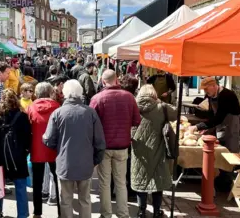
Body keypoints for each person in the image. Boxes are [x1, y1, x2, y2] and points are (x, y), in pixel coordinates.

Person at [43, 80, 106, 218]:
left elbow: (48, 139)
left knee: (66, 200)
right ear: (80, 93)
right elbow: (100, 142)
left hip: (65, 163)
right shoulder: (90, 113)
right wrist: (95, 160)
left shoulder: (58, 113)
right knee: (85, 199)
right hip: (85, 163)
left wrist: (59, 148)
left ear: (65, 93)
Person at [89, 69, 141, 218]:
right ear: (117, 80)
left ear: (103, 81)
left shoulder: (97, 98)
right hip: (123, 146)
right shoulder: (129, 97)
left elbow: (91, 123)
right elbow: (137, 121)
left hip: (104, 146)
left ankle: (106, 214)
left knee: (105, 183)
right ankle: (123, 214)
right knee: (121, 182)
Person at [132, 85, 175, 218]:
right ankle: (157, 211)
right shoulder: (161, 107)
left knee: (140, 177)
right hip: (157, 147)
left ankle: (141, 211)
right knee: (157, 178)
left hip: (138, 147)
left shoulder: (133, 105)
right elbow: (176, 113)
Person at [0, 89, 31, 218]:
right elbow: (27, 138)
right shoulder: (22, 116)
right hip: (17, 157)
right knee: (20, 187)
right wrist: (25, 152)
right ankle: (23, 215)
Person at [27, 82, 61, 217]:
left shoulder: (31, 107)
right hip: (54, 149)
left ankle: (37, 212)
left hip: (37, 149)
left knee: (37, 182)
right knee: (58, 181)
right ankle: (61, 211)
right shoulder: (57, 107)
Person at [189, 76, 240, 153]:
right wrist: (206, 128)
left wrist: (197, 126)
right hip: (220, 127)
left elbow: (219, 118)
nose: (205, 91)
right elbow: (211, 113)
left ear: (214, 86)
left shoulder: (227, 95)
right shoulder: (210, 95)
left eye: (206, 88)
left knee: (232, 153)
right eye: (204, 89)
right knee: (221, 152)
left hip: (232, 128)